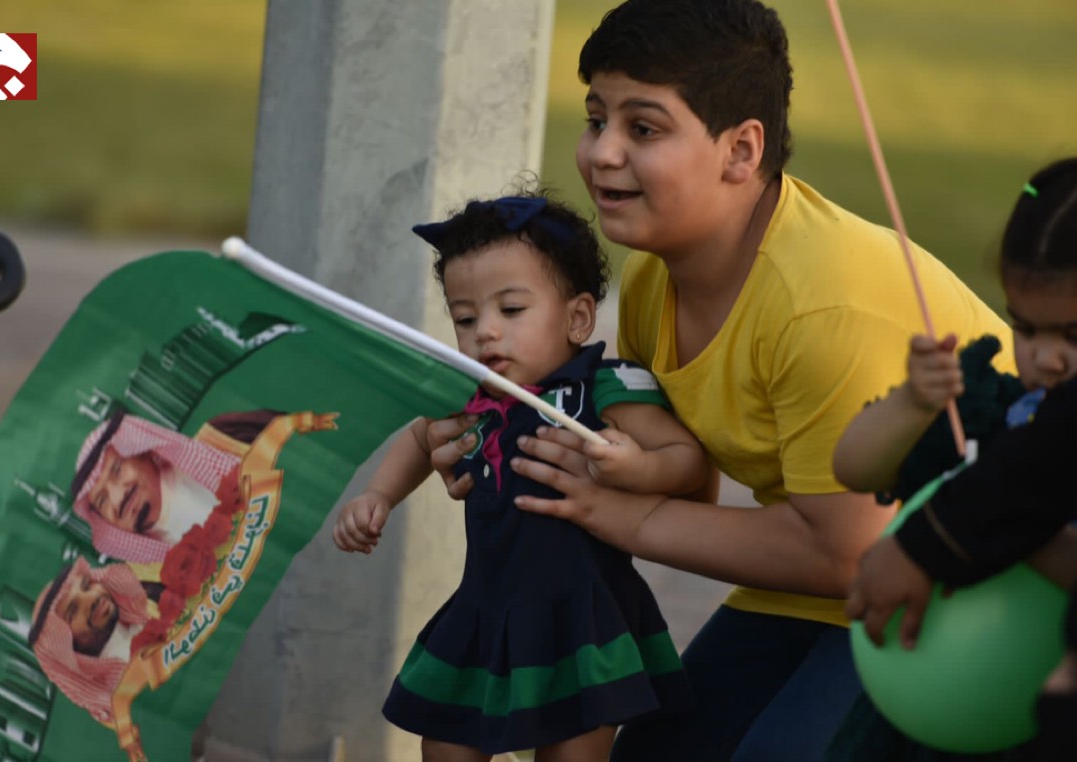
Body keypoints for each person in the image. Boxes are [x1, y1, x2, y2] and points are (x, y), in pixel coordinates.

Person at [426, 2, 1015, 759]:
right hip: (819, 588)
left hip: (966, 586)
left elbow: (848, 554)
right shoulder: (651, 285)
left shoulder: (822, 304)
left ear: (741, 150)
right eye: (596, 118)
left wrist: (619, 515)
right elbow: (688, 491)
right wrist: (513, 451)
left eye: (643, 128)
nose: (602, 152)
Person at [332, 190, 705, 761]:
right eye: (465, 317)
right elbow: (418, 438)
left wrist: (639, 466)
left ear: (577, 317)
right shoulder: (470, 395)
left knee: (572, 753)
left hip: (581, 618)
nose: (485, 332)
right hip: (486, 608)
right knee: (446, 747)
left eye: (510, 310)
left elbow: (687, 459)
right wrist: (378, 495)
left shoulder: (601, 389)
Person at [840, 158, 1077, 760]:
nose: (1047, 357)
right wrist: (913, 404)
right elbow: (856, 468)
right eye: (1027, 330)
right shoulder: (996, 413)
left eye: (1073, 337)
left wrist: (1000, 527)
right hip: (928, 717)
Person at [71, 408, 315, 563]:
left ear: (143, 451)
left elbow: (313, 460)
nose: (117, 497)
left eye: (116, 470)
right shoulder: (153, 586)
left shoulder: (224, 436)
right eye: (102, 500)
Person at [28, 557, 161, 725]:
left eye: (87, 586)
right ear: (66, 649)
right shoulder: (120, 691)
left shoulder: (146, 606)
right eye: (73, 611)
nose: (92, 597)